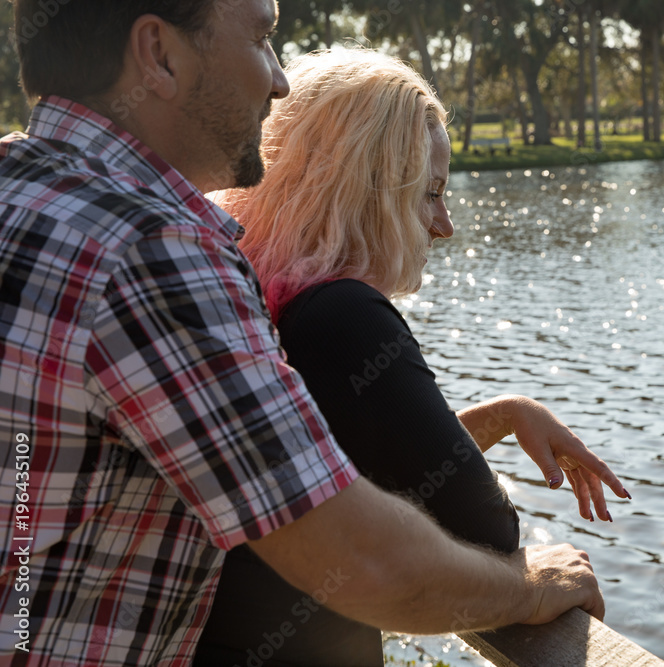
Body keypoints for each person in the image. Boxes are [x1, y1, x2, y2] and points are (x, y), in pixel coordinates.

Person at [0, 2, 607, 665]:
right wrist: (533, 586)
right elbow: (363, 557)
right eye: (262, 38)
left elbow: (271, 462)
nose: (281, 80)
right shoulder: (154, 250)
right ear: (159, 55)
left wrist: (496, 416)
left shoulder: (23, 189)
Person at [194, 49, 631, 665]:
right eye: (431, 194)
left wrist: (505, 414)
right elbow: (485, 528)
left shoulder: (253, 293)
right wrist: (540, 580)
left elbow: (362, 470)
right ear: (371, 193)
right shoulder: (344, 317)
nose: (445, 224)